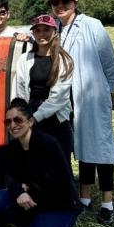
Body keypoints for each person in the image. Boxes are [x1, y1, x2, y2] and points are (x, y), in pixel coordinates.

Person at [48, 0, 114, 226]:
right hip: (67, 99)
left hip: (92, 94)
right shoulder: (55, 28)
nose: (60, 7)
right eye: (56, 3)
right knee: (82, 145)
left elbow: (109, 62)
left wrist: (110, 90)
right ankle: (85, 198)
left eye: (65, 2)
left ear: (75, 4)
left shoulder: (91, 25)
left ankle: (108, 204)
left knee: (101, 146)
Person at [0, 98, 80, 227]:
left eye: (18, 120)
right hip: (31, 198)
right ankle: (28, 220)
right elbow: (9, 176)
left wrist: (28, 187)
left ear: (30, 122)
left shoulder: (48, 144)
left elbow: (59, 183)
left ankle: (55, 223)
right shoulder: (12, 147)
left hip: (58, 204)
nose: (12, 125)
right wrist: (20, 191)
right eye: (8, 122)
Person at [14, 15, 74, 162]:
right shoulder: (25, 59)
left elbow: (59, 97)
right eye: (38, 30)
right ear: (33, 33)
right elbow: (20, 89)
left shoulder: (64, 60)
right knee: (35, 163)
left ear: (55, 32)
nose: (42, 34)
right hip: (31, 115)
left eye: (46, 30)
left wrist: (35, 117)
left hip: (56, 118)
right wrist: (23, 115)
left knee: (60, 164)